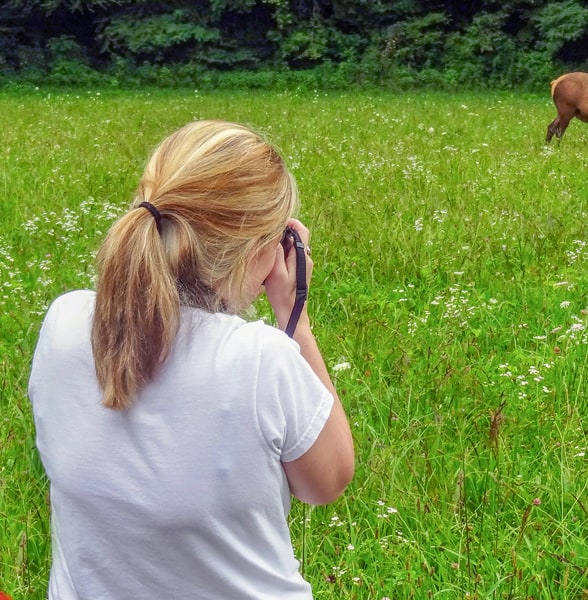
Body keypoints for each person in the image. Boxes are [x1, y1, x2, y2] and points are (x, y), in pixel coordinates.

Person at [28, 120, 354, 599]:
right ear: (263, 250)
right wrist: (294, 317)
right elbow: (326, 482)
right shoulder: (259, 358)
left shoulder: (64, 321)